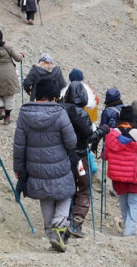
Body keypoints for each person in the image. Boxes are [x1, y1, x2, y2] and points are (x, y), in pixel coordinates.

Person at [13, 74, 77, 252]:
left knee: (45, 195)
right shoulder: (60, 112)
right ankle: (58, 227)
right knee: (65, 193)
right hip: (59, 165)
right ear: (53, 96)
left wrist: (18, 168)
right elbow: (71, 142)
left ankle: (50, 233)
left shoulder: (24, 114)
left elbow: (19, 145)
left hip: (35, 167)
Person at [102, 106, 137, 237]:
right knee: (134, 202)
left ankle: (126, 226)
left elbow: (105, 155)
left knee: (123, 201)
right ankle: (130, 229)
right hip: (133, 175)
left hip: (117, 176)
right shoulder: (136, 133)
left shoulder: (111, 133)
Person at [61, 78, 94, 237]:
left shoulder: (61, 110)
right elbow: (88, 137)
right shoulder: (84, 114)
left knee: (68, 187)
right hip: (80, 156)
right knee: (84, 187)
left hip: (64, 156)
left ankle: (64, 219)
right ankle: (76, 222)